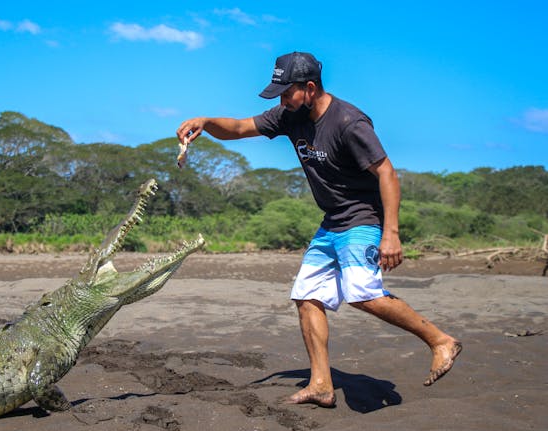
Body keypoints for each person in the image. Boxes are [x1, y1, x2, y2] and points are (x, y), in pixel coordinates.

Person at [176, 51, 462, 407]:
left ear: (309, 88)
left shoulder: (349, 123)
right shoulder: (289, 115)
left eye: (286, 92)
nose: (281, 100)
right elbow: (238, 128)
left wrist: (391, 233)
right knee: (307, 295)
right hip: (332, 223)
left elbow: (387, 173)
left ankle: (439, 340)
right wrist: (205, 121)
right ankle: (322, 384)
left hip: (362, 218)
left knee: (361, 292)